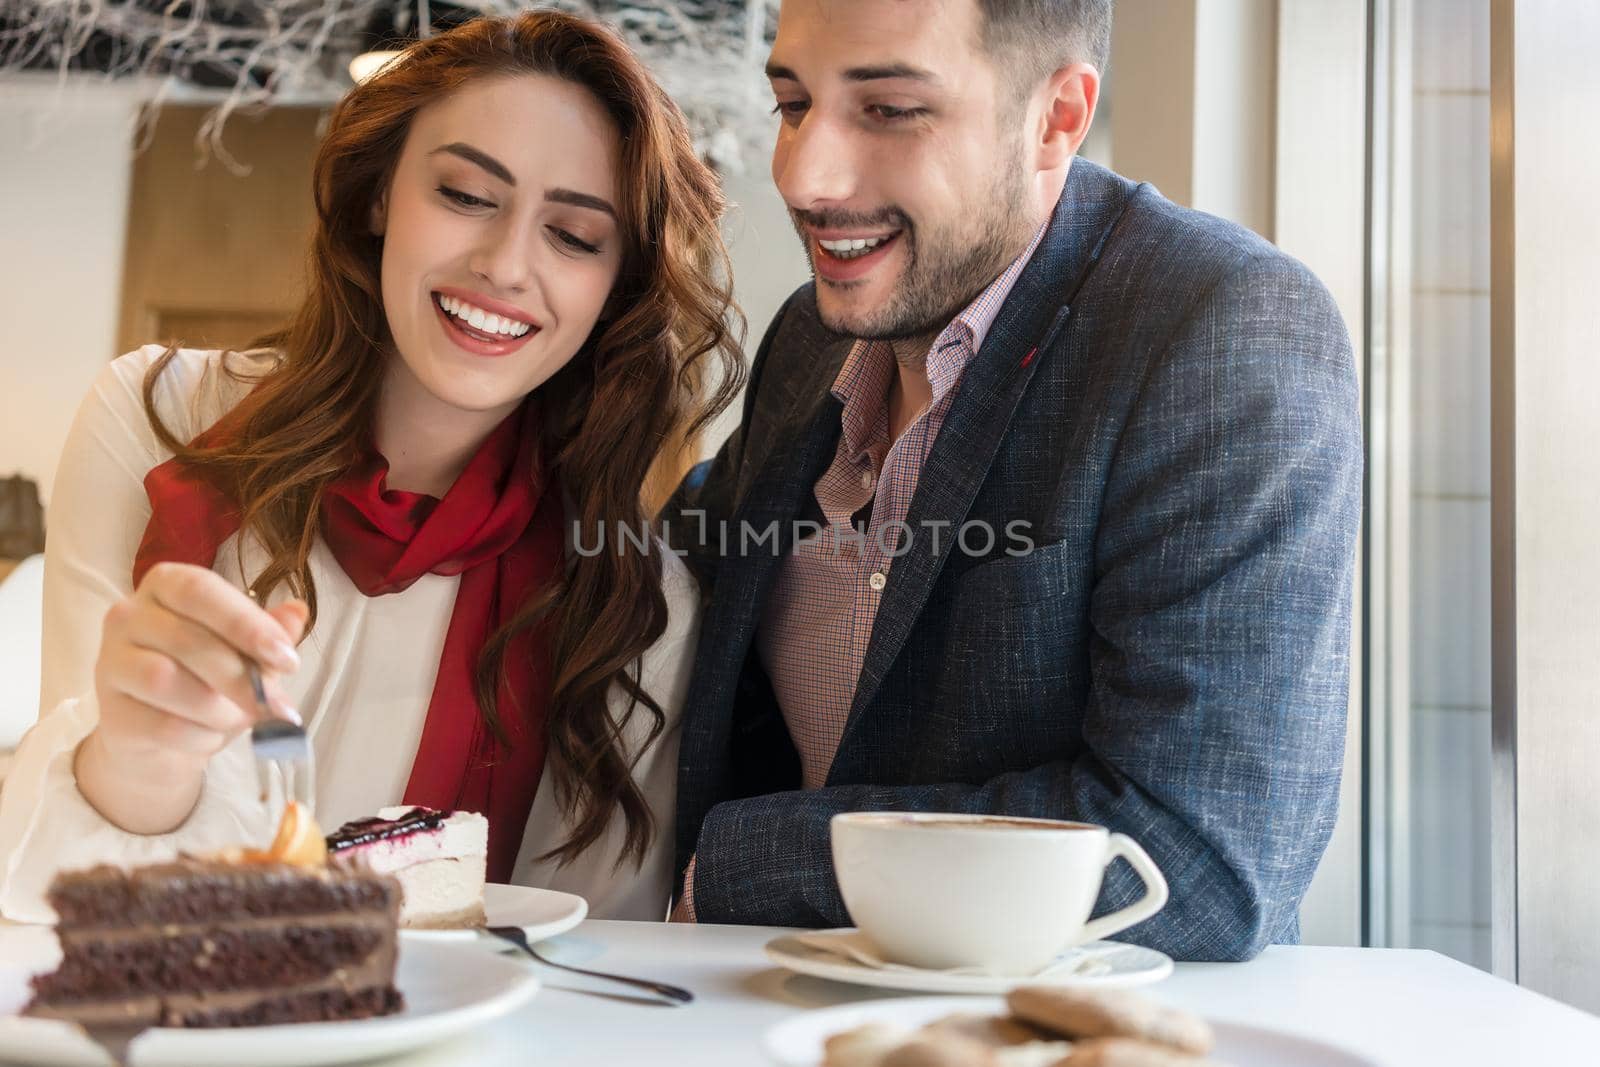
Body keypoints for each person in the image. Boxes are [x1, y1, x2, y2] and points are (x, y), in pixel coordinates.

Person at [0, 10, 742, 922]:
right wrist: (137, 759)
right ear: (381, 193)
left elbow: (585, 967)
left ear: (614, 286)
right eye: (467, 193)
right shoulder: (157, 419)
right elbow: (46, 896)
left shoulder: (634, 608)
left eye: (575, 237)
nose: (506, 265)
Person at [663, 0, 1363, 961]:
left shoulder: (1220, 326)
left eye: (891, 109)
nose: (804, 175)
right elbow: (677, 575)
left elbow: (1197, 858)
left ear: (1057, 117)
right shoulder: (811, 332)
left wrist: (728, 871)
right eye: (792, 102)